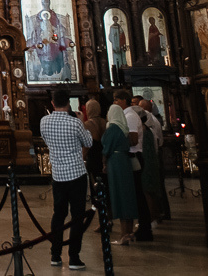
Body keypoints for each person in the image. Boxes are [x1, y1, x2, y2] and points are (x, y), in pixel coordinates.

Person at [39, 89, 91, 270]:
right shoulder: (75, 123)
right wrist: (82, 121)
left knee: (58, 215)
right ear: (69, 103)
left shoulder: (44, 122)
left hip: (58, 175)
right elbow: (88, 142)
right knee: (77, 216)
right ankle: (74, 257)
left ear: (53, 103)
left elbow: (46, 141)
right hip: (76, 174)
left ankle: (55, 255)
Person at [116, 88, 153, 241]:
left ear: (124, 100)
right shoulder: (126, 115)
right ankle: (143, 228)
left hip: (133, 157)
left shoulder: (130, 116)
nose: (114, 103)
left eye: (116, 100)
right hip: (130, 157)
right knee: (136, 194)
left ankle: (145, 229)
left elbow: (133, 139)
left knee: (137, 194)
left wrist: (116, 142)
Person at [103, 102, 138, 244]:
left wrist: (104, 163)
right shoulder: (124, 128)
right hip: (124, 161)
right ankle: (129, 232)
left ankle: (124, 234)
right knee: (128, 195)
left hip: (115, 163)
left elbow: (106, 148)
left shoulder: (113, 128)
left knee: (120, 196)